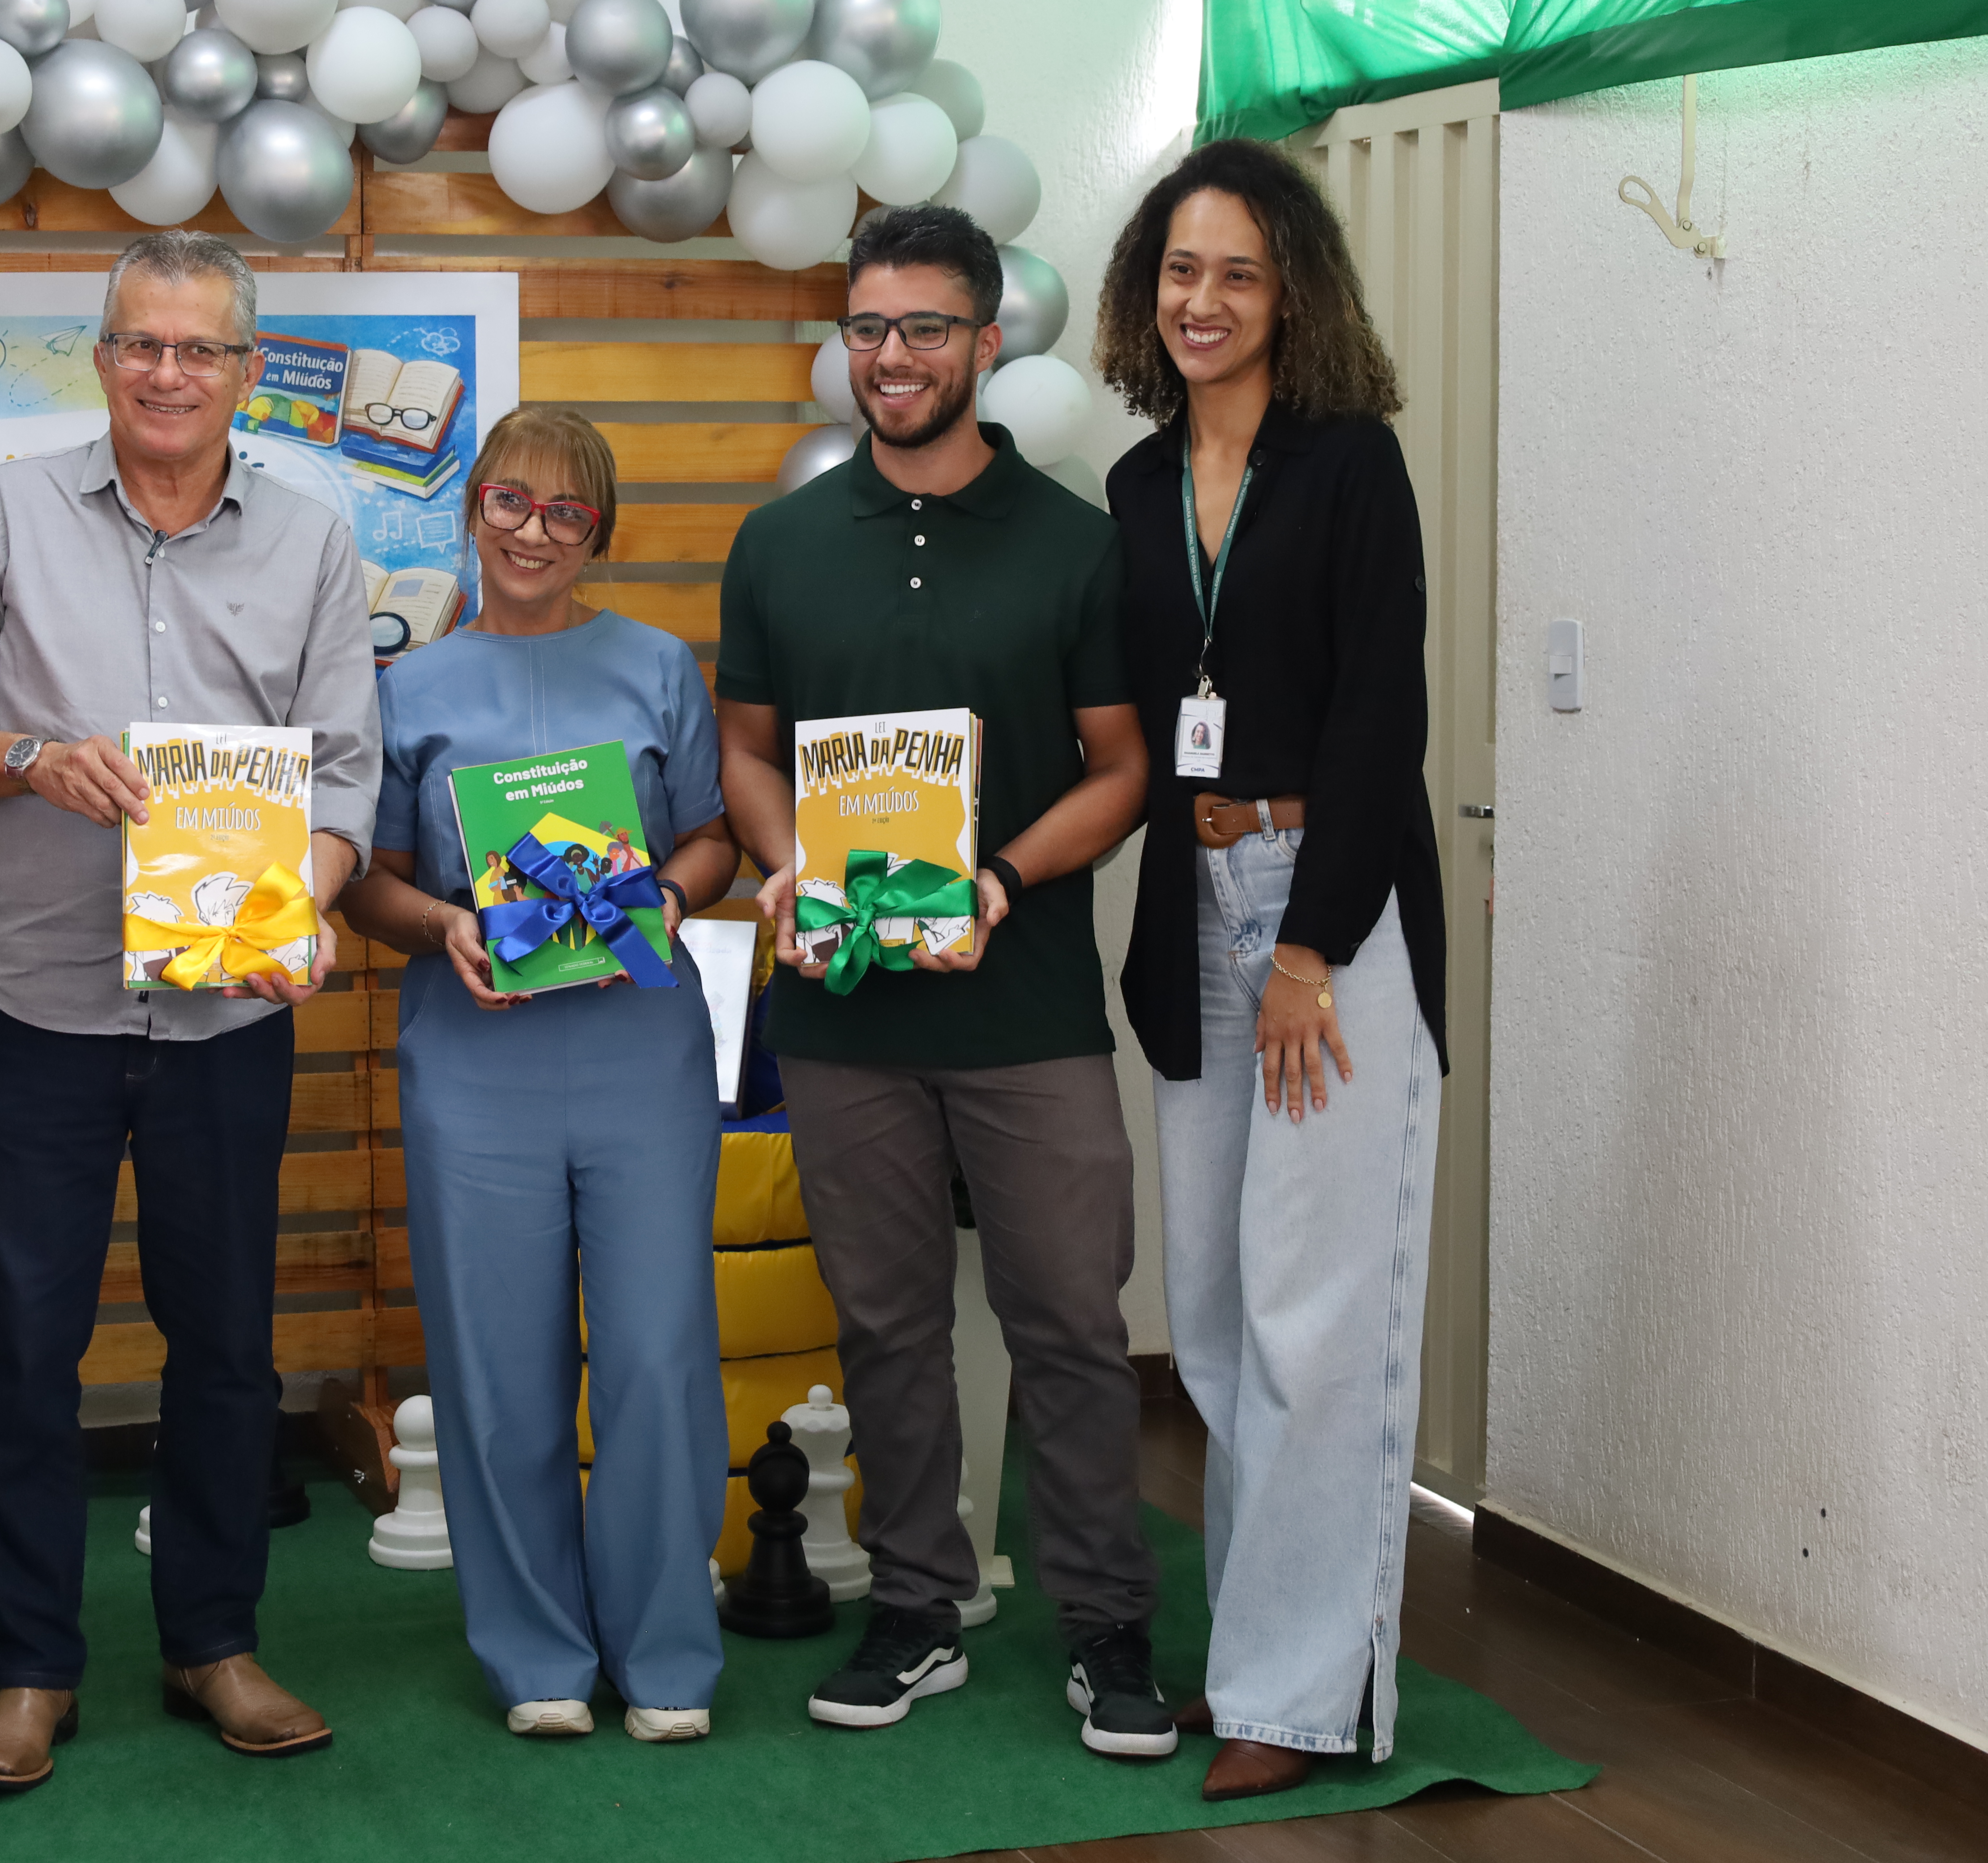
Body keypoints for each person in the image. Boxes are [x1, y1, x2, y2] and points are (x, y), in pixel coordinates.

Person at [0, 231, 380, 1791]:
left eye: (201, 350)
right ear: (100, 358)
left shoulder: (312, 541)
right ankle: (31, 1669)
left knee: (226, 1345)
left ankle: (213, 1642)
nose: (169, 373)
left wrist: (297, 898)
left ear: (246, 372)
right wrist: (30, 759)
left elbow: (347, 773)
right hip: (36, 1002)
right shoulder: (6, 513)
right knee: (23, 1347)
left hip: (228, 1015)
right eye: (140, 345)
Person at [714, 204, 1174, 1755]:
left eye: (923, 328)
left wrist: (1002, 878)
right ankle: (918, 1608)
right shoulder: (779, 543)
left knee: (1067, 1322)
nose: (891, 356)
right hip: (842, 1015)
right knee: (889, 1324)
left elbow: (1125, 772)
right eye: (867, 328)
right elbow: (745, 757)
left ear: (987, 342)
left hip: (1025, 1009)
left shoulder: (1075, 543)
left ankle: (1110, 1626)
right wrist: (781, 865)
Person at [1094, 138, 1448, 1802]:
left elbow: (1388, 716)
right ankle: (1248, 1654)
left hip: (1332, 913)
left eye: (1238, 272)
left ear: (1290, 289)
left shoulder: (1351, 465)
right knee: (1225, 1322)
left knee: (1322, 1317)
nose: (1205, 301)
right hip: (1197, 908)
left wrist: (1315, 945)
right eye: (1181, 270)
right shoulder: (1136, 484)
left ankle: (1301, 1701)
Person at [338, 408, 739, 1743]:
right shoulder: (407, 688)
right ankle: (538, 1658)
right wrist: (441, 924)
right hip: (476, 1060)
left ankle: (668, 1651)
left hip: (641, 1049)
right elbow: (374, 887)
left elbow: (710, 838)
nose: (532, 532)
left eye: (566, 514)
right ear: (472, 510)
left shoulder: (657, 668)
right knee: (497, 1365)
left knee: (658, 1352)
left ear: (600, 537)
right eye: (511, 502)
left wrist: (667, 904)